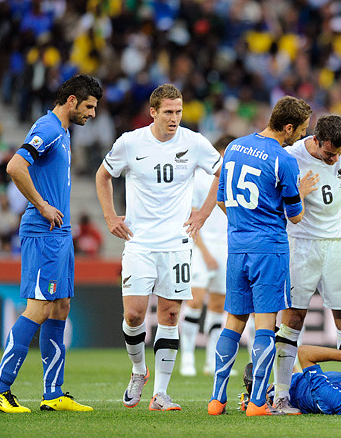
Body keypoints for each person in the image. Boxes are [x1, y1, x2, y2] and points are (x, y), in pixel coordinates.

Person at [96, 84, 223, 411]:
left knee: (170, 314)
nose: (174, 118)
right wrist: (110, 217)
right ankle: (139, 370)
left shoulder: (194, 142)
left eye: (179, 111)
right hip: (139, 243)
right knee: (134, 313)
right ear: (153, 112)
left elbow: (222, 171)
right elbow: (102, 176)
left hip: (177, 244)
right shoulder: (130, 142)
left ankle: (161, 393)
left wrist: (204, 212)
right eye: (168, 112)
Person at [0, 74, 102, 413]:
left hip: (61, 234)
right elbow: (15, 166)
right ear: (71, 101)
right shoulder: (49, 128)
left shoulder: (63, 132)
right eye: (89, 107)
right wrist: (41, 204)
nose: (92, 114)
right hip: (43, 232)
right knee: (37, 308)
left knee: (61, 306)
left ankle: (53, 393)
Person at [207, 96, 317, 416]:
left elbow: (221, 201)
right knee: (265, 325)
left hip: (237, 246)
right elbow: (295, 215)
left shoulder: (235, 147)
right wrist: (302, 193)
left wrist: (246, 224)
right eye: (300, 130)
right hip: (269, 248)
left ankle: (216, 400)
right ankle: (257, 402)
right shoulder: (284, 160)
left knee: (233, 323)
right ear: (287, 127)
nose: (300, 135)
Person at [272, 114, 341, 413]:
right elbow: (276, 204)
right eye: (330, 153)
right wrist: (296, 193)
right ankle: (281, 393)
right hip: (301, 245)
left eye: (339, 153)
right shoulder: (291, 158)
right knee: (292, 320)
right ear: (316, 141)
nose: (335, 159)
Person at [180, 135, 235, 377]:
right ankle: (187, 357)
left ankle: (212, 359)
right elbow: (191, 219)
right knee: (195, 300)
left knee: (218, 304)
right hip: (201, 248)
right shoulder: (202, 178)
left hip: (225, 247)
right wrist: (204, 251)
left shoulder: (236, 179)